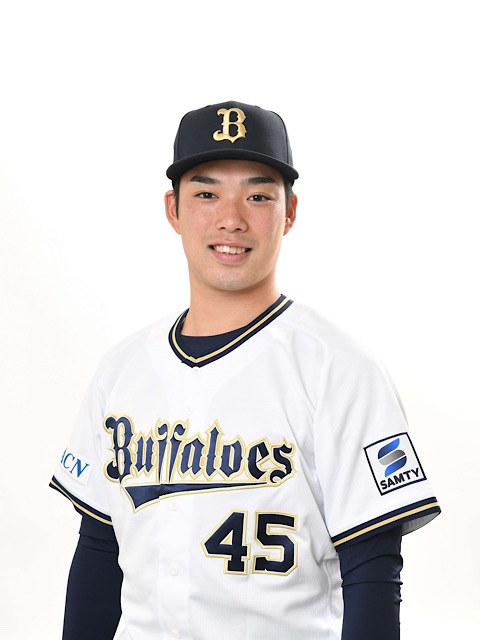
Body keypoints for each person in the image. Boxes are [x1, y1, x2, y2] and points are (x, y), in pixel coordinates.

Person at [50, 100, 441, 640]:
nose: (231, 218)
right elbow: (98, 551)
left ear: (290, 212)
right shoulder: (121, 370)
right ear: (173, 209)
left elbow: (373, 571)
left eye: (258, 196)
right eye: (207, 194)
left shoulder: (340, 370)